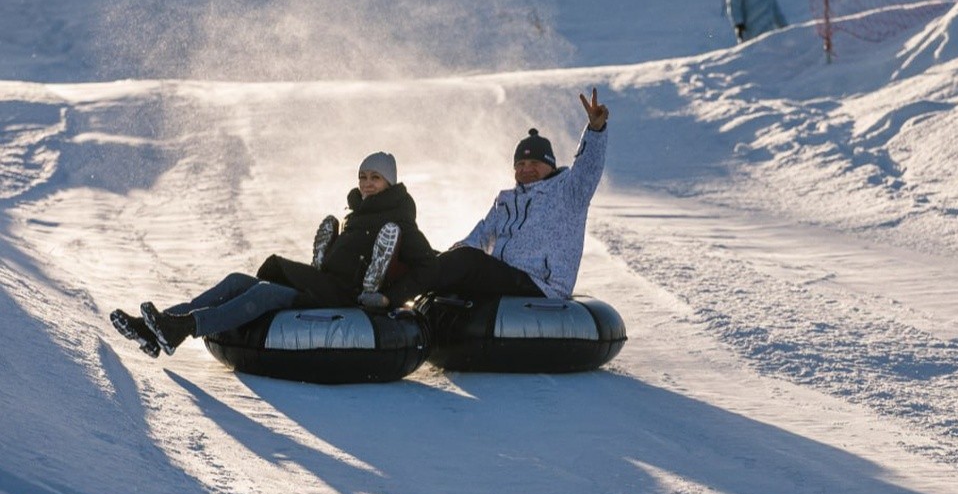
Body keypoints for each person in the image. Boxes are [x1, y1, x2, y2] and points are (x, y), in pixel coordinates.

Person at [110, 152, 436, 358]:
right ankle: (155, 328)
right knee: (238, 280)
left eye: (375, 178)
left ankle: (181, 328)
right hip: (324, 285)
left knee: (266, 292)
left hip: (345, 297)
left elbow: (425, 265)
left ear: (389, 182)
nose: (366, 184)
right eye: (363, 177)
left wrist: (387, 298)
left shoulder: (399, 219)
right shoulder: (356, 214)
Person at [372, 88, 609, 308]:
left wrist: (595, 130)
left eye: (534, 163)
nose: (526, 169)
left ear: (550, 165)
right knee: (435, 256)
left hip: (540, 283)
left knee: (465, 262)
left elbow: (588, 167)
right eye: (521, 164)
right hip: (503, 277)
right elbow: (481, 236)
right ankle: (379, 273)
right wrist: (443, 257)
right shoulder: (506, 200)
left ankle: (390, 296)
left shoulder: (568, 192)